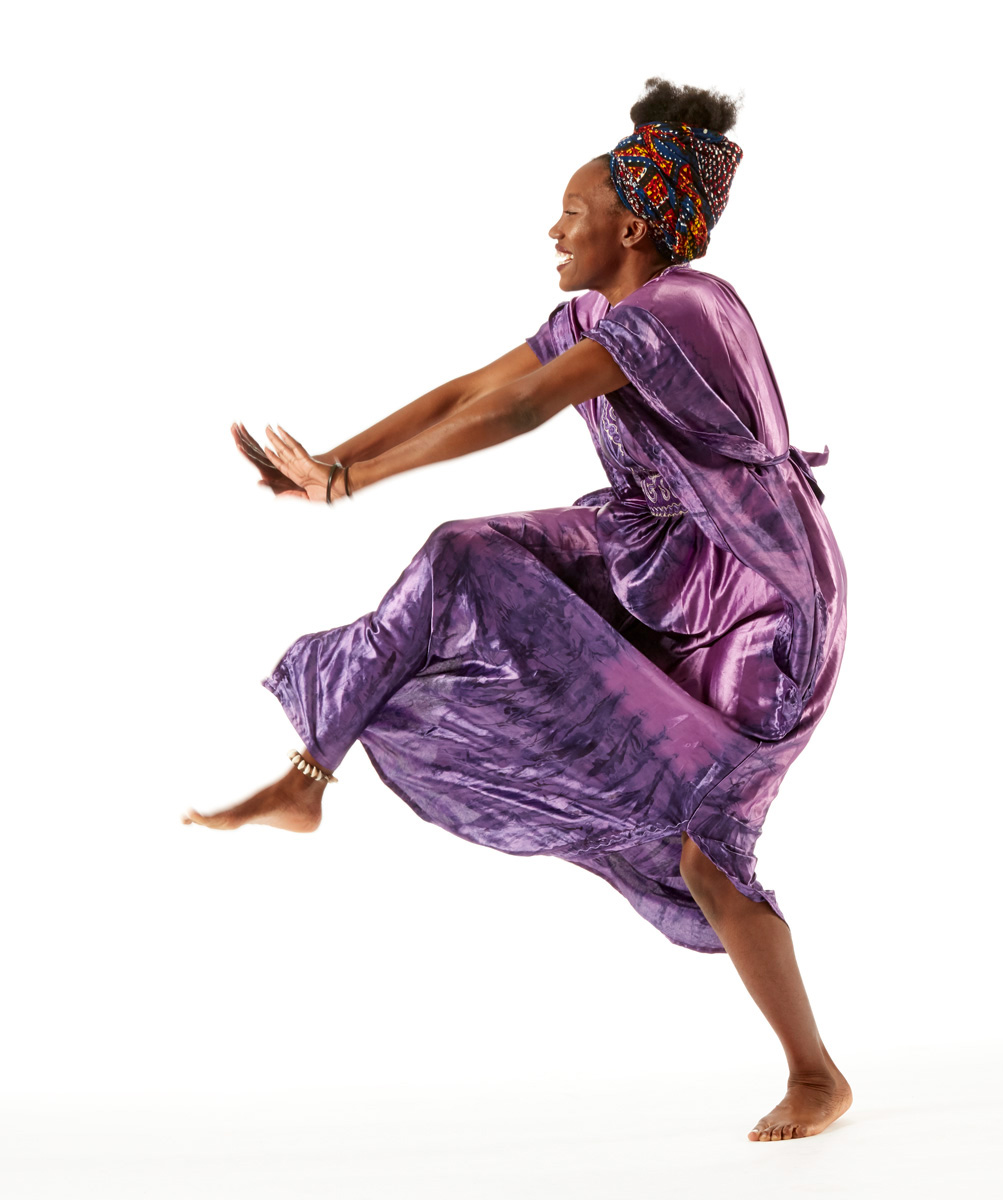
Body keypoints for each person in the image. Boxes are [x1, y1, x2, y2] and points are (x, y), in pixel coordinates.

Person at [182, 78, 852, 1142]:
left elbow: (524, 407)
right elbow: (466, 391)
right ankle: (309, 774)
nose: (553, 230)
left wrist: (353, 485)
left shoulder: (690, 307)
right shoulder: (593, 313)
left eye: (572, 217)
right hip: (656, 553)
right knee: (464, 552)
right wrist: (332, 464)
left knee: (706, 846)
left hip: (762, 598)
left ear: (630, 227)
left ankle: (815, 1074)